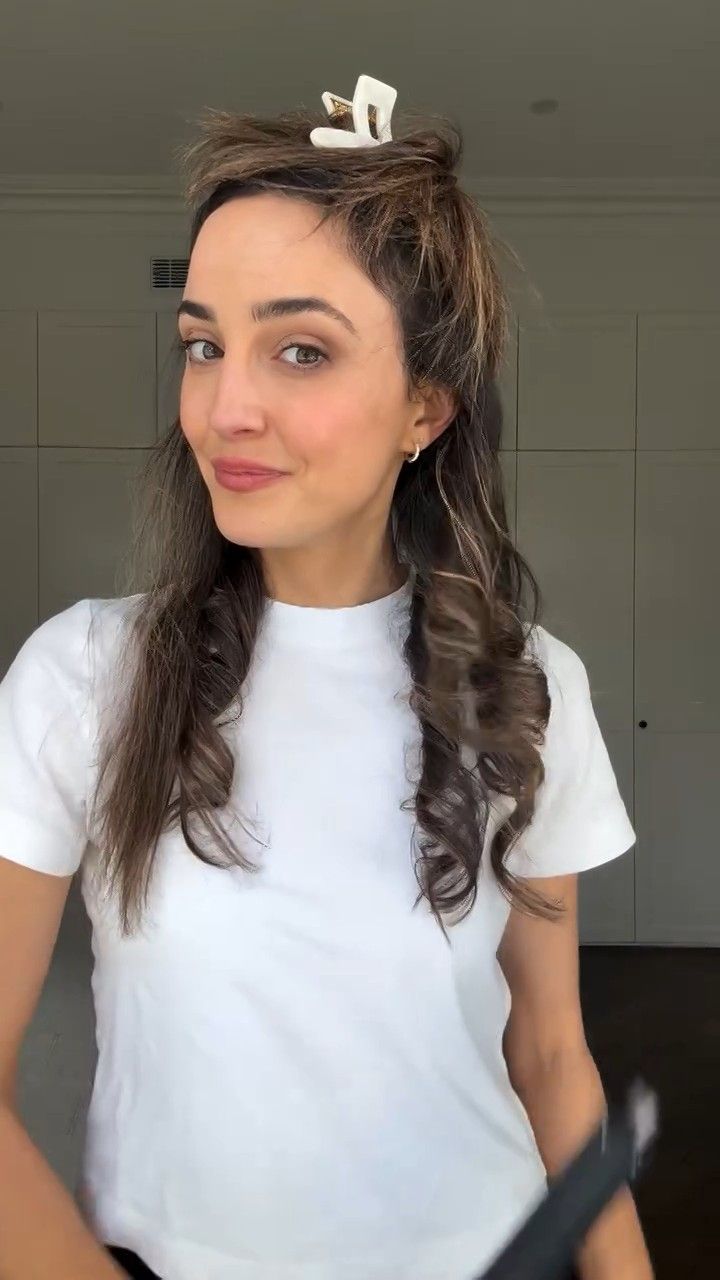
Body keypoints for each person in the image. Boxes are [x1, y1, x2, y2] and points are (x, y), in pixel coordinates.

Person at [0, 75, 653, 1280]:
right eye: (204, 345)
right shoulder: (87, 676)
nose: (225, 407)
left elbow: (551, 1053)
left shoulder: (527, 686)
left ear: (425, 408)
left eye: (300, 349)